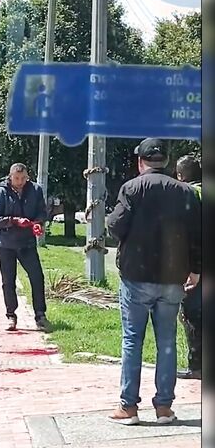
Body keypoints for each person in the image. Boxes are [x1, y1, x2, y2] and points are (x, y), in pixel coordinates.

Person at [106, 138, 201, 425]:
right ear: (167, 162)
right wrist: (196, 270)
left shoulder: (132, 188)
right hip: (173, 277)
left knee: (133, 340)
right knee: (167, 341)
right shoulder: (185, 192)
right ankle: (164, 408)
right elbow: (198, 235)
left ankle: (128, 407)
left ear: (140, 161)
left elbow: (115, 226)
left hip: (136, 276)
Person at [0, 163, 51, 332]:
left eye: (23, 178)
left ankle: (40, 315)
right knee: (8, 281)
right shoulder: (1, 192)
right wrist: (13, 220)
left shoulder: (35, 190)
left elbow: (42, 212)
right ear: (10, 177)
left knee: (37, 277)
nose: (20, 182)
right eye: (17, 178)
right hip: (6, 243)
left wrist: (37, 223)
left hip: (27, 243)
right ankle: (11, 315)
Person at [175, 155, 202, 380]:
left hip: (195, 265)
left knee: (192, 316)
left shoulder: (187, 194)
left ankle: (196, 367)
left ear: (181, 175)